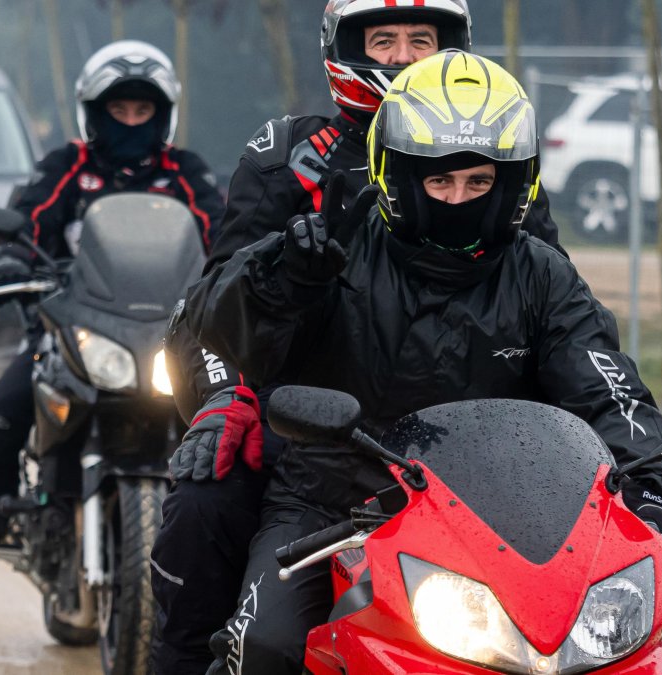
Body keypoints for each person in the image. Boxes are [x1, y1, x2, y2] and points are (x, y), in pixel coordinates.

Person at [182, 50, 662, 675]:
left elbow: (605, 388)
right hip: (332, 507)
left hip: (500, 521)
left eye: (479, 183)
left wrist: (654, 491)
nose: (459, 198)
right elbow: (220, 328)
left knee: (608, 653)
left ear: (512, 185)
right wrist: (276, 278)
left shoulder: (542, 274)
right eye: (440, 182)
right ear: (398, 179)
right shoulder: (331, 245)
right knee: (265, 645)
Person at [149, 1, 564, 671]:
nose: (401, 56)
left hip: (460, 445)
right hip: (309, 430)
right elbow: (216, 309)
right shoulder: (288, 157)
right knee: (205, 496)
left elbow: (547, 306)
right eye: (384, 39)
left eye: (420, 40)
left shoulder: (500, 155)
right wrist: (226, 396)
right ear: (342, 45)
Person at [0, 39, 225, 543]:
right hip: (77, 324)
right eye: (118, 109)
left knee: (244, 417)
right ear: (94, 112)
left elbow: (222, 233)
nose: (130, 120)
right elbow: (30, 221)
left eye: (143, 109)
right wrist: (11, 259)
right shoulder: (67, 167)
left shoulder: (185, 174)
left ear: (163, 114)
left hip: (172, 330)